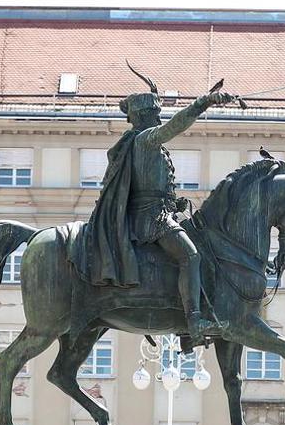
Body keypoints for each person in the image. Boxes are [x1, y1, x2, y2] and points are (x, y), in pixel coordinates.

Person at [69, 70, 241, 338]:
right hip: (151, 219)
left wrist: (174, 203)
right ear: (144, 116)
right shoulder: (146, 139)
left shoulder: (142, 144)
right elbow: (176, 126)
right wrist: (204, 102)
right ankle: (194, 322)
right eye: (155, 114)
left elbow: (148, 187)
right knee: (191, 255)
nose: (159, 118)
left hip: (159, 211)